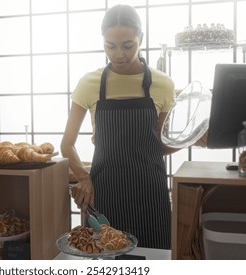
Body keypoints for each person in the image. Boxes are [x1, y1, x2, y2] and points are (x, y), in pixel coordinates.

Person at [61, 4, 176, 249]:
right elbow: (67, 144)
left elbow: (158, 145)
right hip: (105, 195)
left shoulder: (163, 84)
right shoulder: (89, 83)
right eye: (110, 46)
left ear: (141, 40)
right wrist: (83, 178)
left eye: (128, 45)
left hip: (150, 196)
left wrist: (189, 140)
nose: (119, 54)